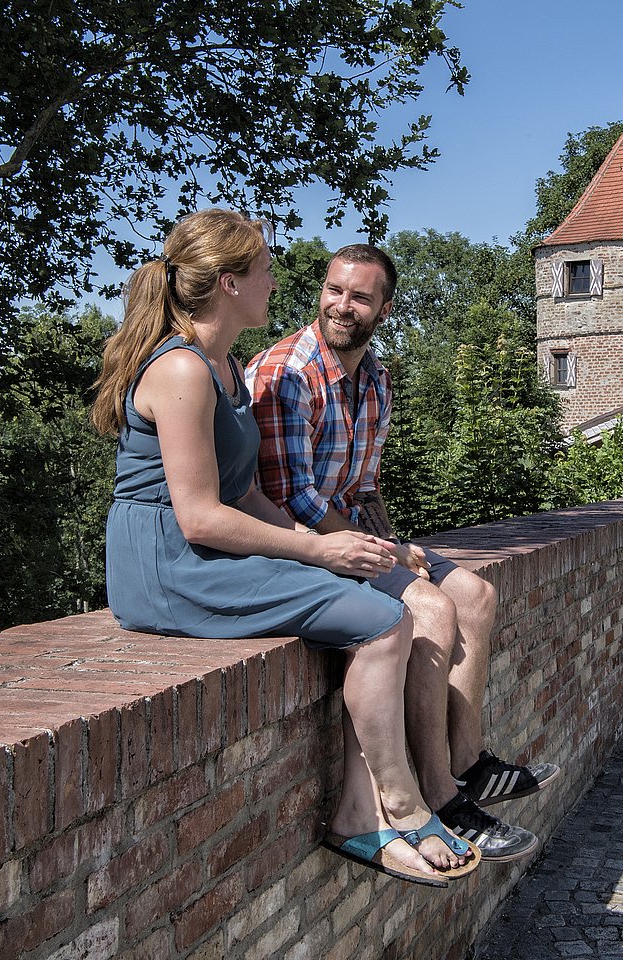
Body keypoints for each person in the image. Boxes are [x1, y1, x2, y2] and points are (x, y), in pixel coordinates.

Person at [92, 210, 475, 887]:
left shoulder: (225, 365)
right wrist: (319, 554)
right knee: (385, 622)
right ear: (231, 283)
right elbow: (201, 517)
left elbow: (242, 497)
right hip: (168, 567)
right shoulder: (181, 370)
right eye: (266, 269)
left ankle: (362, 813)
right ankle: (402, 805)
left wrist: (330, 543)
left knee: (375, 608)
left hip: (204, 552)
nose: (278, 280)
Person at [247, 243, 559, 861]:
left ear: (383, 308)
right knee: (431, 611)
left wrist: (399, 546)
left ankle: (467, 764)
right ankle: (441, 796)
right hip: (304, 549)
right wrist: (388, 562)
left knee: (472, 592)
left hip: (356, 535)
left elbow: (363, 489)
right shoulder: (287, 373)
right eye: (334, 291)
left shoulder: (376, 381)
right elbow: (292, 499)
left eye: (359, 296)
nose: (342, 306)